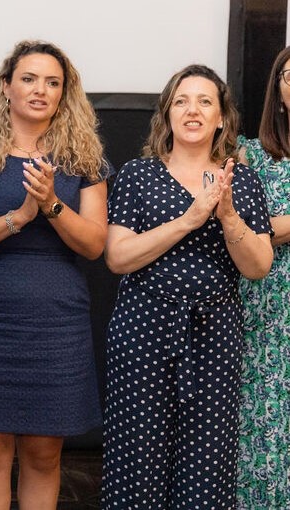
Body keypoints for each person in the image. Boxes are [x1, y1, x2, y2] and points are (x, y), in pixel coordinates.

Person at [103, 64, 274, 508]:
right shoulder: (138, 175)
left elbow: (258, 266)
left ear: (221, 118)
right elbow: (118, 257)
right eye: (181, 101)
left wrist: (228, 216)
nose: (192, 110)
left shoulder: (243, 181)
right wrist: (190, 220)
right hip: (143, 333)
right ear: (167, 114)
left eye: (204, 102)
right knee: (137, 461)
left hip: (215, 336)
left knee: (207, 466)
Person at [0, 40, 108, 509]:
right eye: (29, 79)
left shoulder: (84, 159)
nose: (41, 90)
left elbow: (94, 244)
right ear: (6, 86)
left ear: (64, 94)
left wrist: (51, 205)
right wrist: (19, 216)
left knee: (43, 453)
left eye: (52, 82)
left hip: (56, 322)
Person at [235, 47, 290, 509]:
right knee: (263, 424)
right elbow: (243, 230)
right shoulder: (249, 155)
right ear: (278, 89)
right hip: (267, 306)